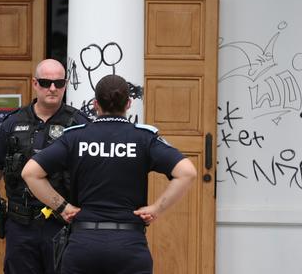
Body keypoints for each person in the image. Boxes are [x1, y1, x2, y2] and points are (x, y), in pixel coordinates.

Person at [22, 74, 197, 274]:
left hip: (83, 244)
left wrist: (63, 207)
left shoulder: (75, 137)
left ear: (96, 104)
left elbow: (31, 172)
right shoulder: (143, 137)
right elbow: (187, 172)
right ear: (129, 103)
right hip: (129, 245)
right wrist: (156, 208)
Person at [0, 59, 91, 274]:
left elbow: (94, 173)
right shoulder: (12, 123)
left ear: (66, 84)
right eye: (45, 82)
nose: (52, 88)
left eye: (59, 83)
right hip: (21, 224)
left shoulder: (79, 125)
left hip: (63, 223)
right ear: (35, 84)